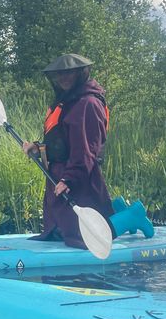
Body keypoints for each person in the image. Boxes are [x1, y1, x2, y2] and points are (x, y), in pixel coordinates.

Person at [21, 53, 153, 250]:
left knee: (88, 237)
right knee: (60, 231)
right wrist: (39, 147)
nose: (63, 79)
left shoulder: (88, 104)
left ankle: (131, 217)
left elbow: (86, 149)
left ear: (81, 73)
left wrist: (69, 179)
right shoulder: (67, 102)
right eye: (59, 75)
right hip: (61, 175)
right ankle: (117, 208)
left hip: (79, 178)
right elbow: (61, 140)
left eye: (69, 73)